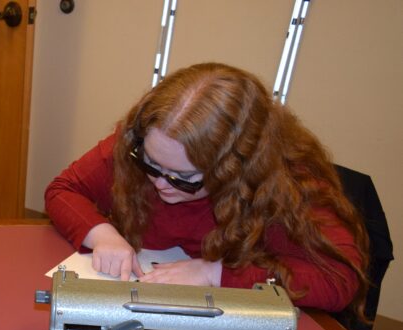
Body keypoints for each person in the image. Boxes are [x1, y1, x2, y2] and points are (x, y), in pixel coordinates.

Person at [45, 62, 369, 313]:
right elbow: (63, 190)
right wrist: (102, 234)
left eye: (181, 176)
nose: (159, 183)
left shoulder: (286, 185)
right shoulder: (145, 142)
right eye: (150, 164)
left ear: (234, 170)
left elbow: (340, 280)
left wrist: (215, 274)